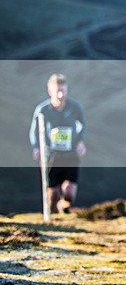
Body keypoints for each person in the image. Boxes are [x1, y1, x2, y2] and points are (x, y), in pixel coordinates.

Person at [29, 73, 87, 214]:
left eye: (63, 91)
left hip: (71, 154)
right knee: (53, 193)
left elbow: (83, 125)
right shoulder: (42, 110)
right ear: (50, 91)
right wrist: (36, 147)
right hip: (51, 156)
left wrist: (80, 141)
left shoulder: (75, 107)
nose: (60, 95)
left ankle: (64, 206)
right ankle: (54, 216)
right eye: (57, 91)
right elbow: (33, 131)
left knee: (70, 192)